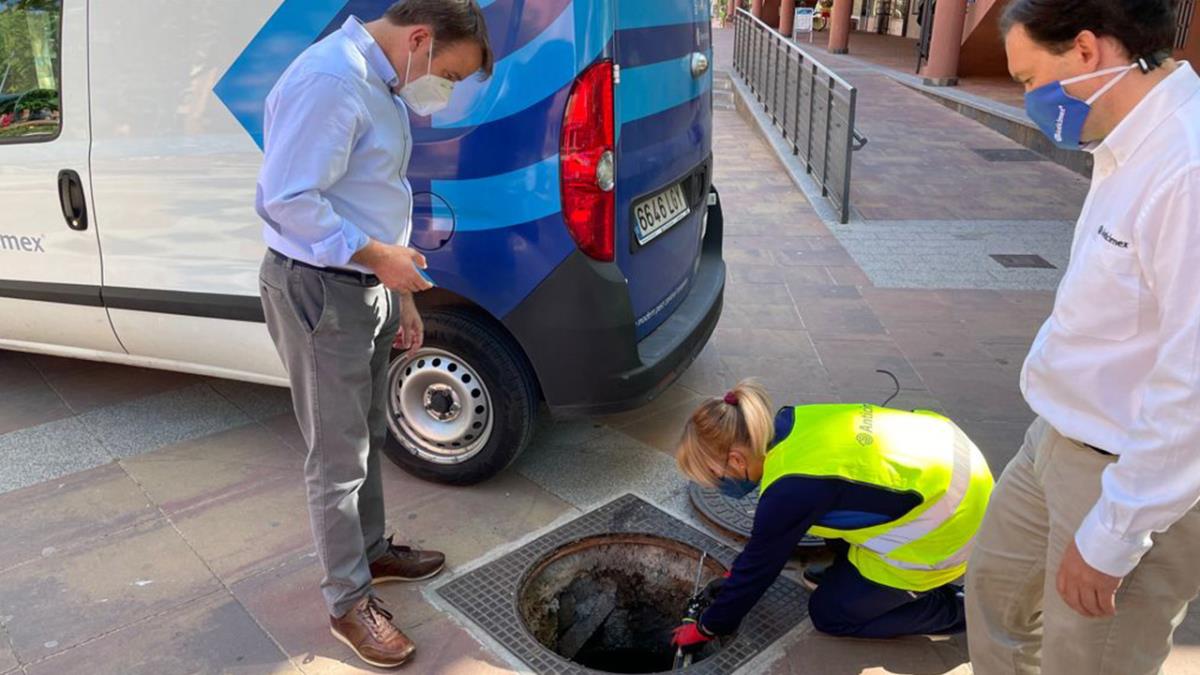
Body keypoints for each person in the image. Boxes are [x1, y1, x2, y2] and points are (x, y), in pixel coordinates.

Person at [255, 0, 492, 668]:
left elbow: (370, 190)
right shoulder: (331, 80)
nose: (441, 92)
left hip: (362, 284)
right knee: (337, 457)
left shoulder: (379, 82)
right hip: (319, 287)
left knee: (368, 434)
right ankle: (346, 600)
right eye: (446, 73)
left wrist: (397, 295)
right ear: (419, 37)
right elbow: (289, 198)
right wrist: (379, 259)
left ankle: (371, 549)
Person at [966, 1, 1200, 673]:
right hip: (1056, 439)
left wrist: (1115, 534)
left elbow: (1193, 381)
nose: (1028, 98)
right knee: (995, 599)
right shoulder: (1125, 137)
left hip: (1125, 472)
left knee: (1088, 656)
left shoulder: (1185, 166)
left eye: (1027, 77)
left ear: (1087, 52)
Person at [669, 381, 994, 652]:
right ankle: (856, 576)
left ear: (737, 460)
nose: (716, 485)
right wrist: (734, 578)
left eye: (714, 475)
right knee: (832, 496)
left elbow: (759, 568)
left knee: (829, 614)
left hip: (951, 528)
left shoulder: (787, 491)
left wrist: (708, 627)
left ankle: (960, 608)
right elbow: (776, 538)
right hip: (950, 462)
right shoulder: (791, 421)